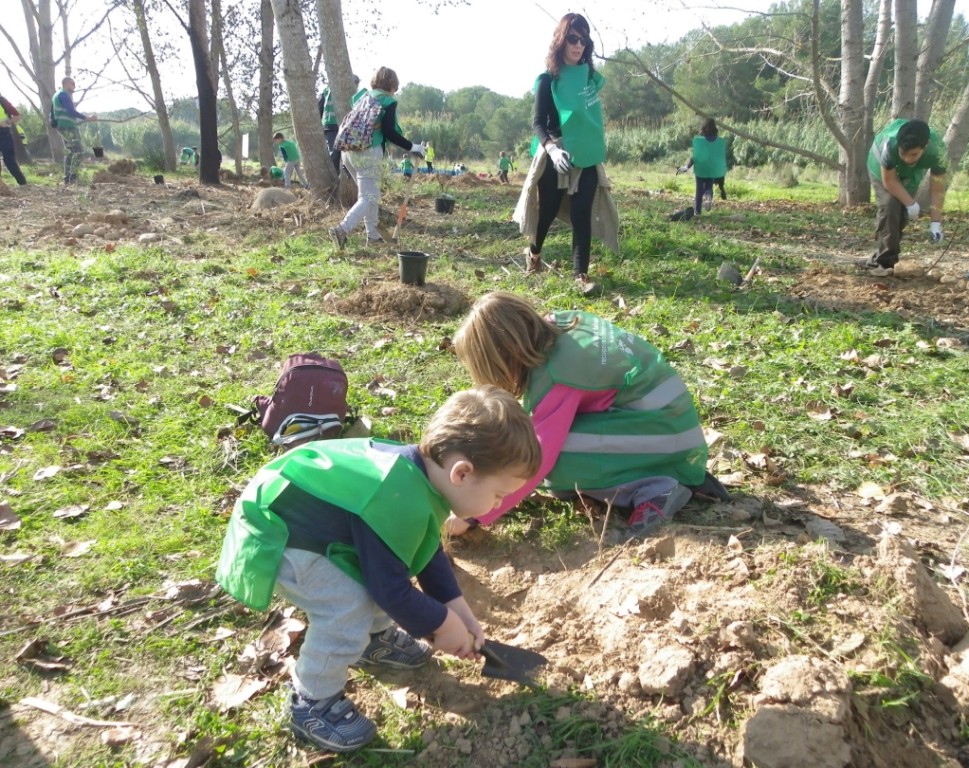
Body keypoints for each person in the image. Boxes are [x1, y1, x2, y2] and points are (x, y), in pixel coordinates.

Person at [215, 385, 541, 753]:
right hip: (277, 534)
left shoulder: (419, 479)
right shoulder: (396, 494)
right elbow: (390, 588)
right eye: (498, 494)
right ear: (462, 473)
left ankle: (373, 639)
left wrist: (456, 609)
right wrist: (441, 625)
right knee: (348, 606)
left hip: (308, 525)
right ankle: (311, 701)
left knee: (374, 572)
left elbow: (423, 550)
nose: (498, 505)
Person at [449, 292, 730, 539]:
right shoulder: (559, 327)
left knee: (556, 463)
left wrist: (475, 513)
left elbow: (538, 456)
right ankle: (647, 471)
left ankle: (656, 487)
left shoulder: (560, 377)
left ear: (502, 357)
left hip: (665, 435)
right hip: (667, 425)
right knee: (553, 460)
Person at [513, 13, 619, 297]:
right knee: (547, 211)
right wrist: (551, 148)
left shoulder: (589, 80)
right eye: (573, 38)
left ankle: (580, 276)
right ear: (561, 40)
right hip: (555, 151)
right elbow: (537, 123)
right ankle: (534, 255)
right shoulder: (548, 80)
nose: (578, 45)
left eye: (583, 40)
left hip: (586, 154)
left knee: (581, 213)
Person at [329, 67, 424, 249]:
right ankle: (341, 230)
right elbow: (389, 133)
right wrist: (413, 147)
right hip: (368, 152)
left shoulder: (362, 97)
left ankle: (372, 237)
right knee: (369, 197)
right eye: (395, 88)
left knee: (369, 196)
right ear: (392, 86)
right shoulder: (387, 101)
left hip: (348, 152)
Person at [862, 118, 947, 277]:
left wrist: (936, 222)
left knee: (900, 214)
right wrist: (911, 203)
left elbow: (937, 189)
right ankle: (881, 262)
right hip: (880, 167)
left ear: (926, 145)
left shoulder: (938, 152)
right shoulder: (889, 145)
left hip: (909, 174)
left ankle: (888, 257)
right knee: (889, 205)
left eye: (914, 154)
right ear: (899, 147)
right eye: (904, 153)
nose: (908, 158)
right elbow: (889, 181)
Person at [51, 77, 97, 185]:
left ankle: (68, 178)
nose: (74, 86)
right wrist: (87, 118)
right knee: (79, 151)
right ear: (66, 83)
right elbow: (71, 111)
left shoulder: (57, 95)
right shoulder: (63, 94)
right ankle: (72, 177)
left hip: (66, 126)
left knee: (71, 152)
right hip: (67, 127)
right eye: (73, 84)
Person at [679, 118, 727, 216]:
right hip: (712, 169)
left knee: (699, 191)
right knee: (709, 187)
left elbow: (695, 157)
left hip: (700, 169)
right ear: (715, 129)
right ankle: (708, 195)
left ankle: (697, 212)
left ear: (704, 128)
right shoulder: (719, 142)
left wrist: (687, 167)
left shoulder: (699, 141)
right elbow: (720, 157)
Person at [0, 93, 27, 187]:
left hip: (3, 133)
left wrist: (7, 122)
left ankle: (23, 183)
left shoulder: (2, 101)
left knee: (9, 161)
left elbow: (17, 115)